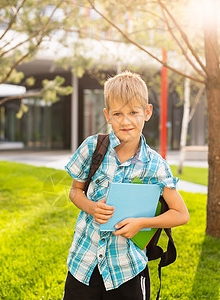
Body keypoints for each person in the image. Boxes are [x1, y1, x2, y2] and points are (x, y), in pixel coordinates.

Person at [63, 71, 189, 300]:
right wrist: (91, 207)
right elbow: (75, 191)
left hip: (127, 270)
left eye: (133, 112)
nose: (126, 121)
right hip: (84, 265)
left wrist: (142, 223)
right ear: (107, 115)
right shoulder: (92, 148)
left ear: (147, 112)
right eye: (118, 113)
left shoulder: (156, 166)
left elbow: (181, 214)